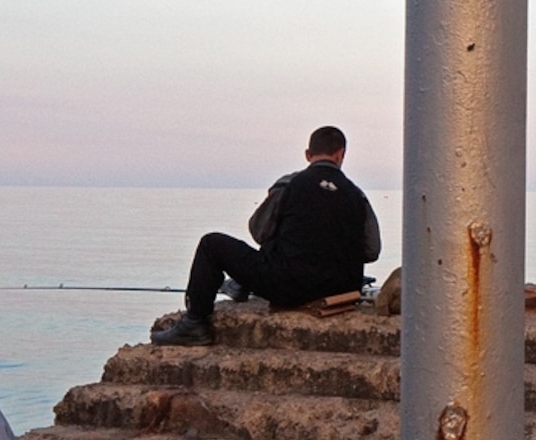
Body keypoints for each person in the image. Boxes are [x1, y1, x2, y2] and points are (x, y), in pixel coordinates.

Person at [151, 126, 382, 347]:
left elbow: (259, 231)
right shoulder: (357, 195)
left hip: (288, 288)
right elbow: (372, 250)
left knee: (211, 244)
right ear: (341, 154)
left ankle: (194, 323)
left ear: (308, 154)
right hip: (342, 291)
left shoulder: (289, 184)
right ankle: (239, 285)